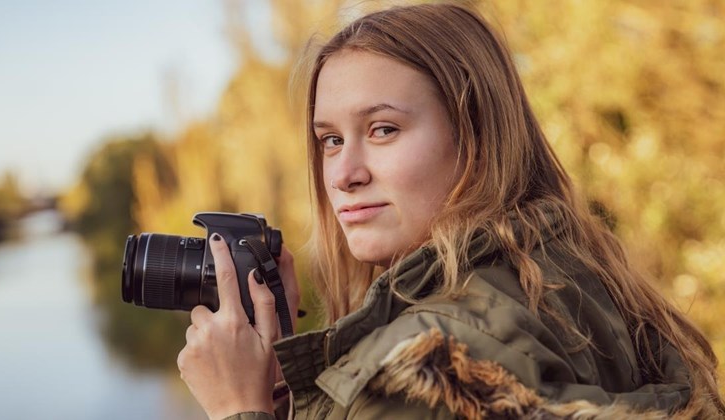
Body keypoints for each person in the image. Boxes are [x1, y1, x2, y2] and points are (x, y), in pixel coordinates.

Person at [176, 3, 724, 419]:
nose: (344, 174)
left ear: (476, 137)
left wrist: (235, 407)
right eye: (330, 140)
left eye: (383, 129)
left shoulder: (427, 363)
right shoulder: (571, 281)